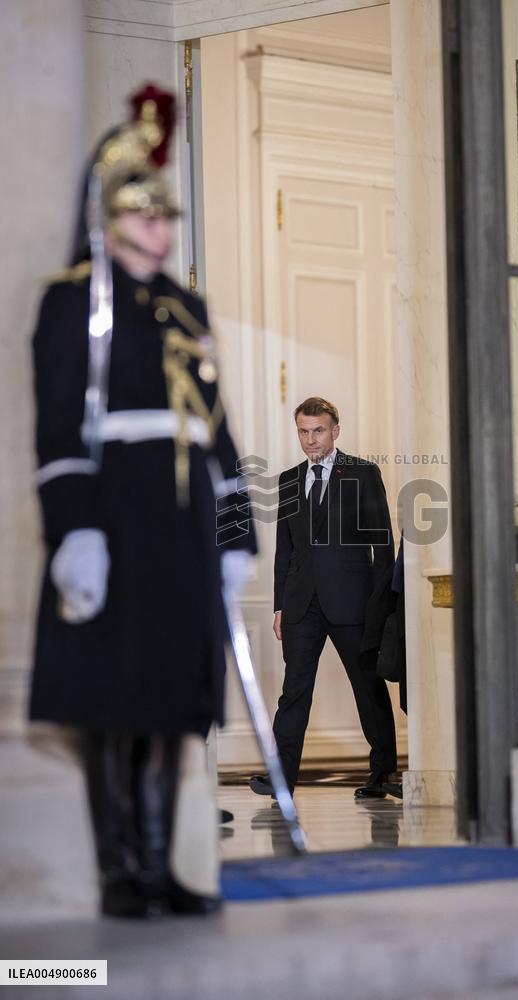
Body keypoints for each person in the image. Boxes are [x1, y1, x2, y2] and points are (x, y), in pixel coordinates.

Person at [30, 84, 256, 919]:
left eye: (169, 216)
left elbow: (219, 430)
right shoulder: (71, 301)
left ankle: (164, 868)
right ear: (109, 216)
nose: (162, 229)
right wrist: (75, 532)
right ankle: (120, 872)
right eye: (145, 213)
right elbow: (59, 430)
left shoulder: (183, 304)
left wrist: (237, 535)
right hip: (117, 513)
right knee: (114, 701)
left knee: (172, 700)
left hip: (185, 520)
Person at [250, 397, 398, 800]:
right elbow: (286, 549)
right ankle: (281, 777)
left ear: (335, 430)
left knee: (367, 687)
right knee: (293, 690)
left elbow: (382, 545)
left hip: (353, 603)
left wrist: (381, 606)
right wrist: (280, 605)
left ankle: (382, 773)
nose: (310, 439)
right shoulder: (289, 480)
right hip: (301, 606)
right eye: (303, 431)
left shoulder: (364, 474)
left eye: (318, 430)